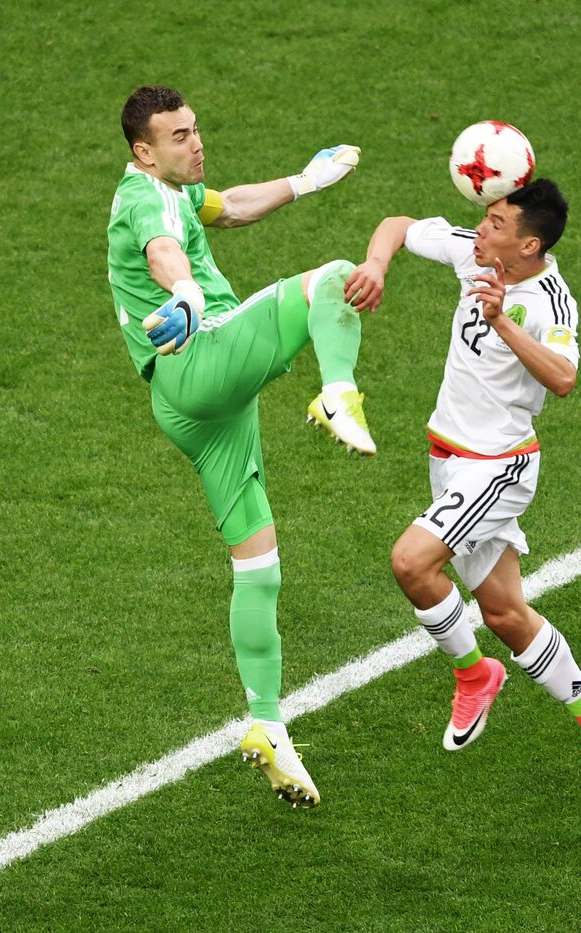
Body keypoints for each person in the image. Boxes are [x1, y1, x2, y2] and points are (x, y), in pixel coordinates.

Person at [105, 85, 376, 808]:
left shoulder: (171, 190)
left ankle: (266, 723)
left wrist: (305, 181)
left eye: (195, 129)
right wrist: (189, 292)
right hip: (203, 358)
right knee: (330, 282)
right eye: (179, 136)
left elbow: (231, 206)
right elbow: (164, 250)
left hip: (187, 406)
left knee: (258, 563)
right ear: (144, 151)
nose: (196, 143)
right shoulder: (146, 201)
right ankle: (338, 393)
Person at [343, 179, 581, 803]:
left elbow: (563, 379)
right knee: (504, 613)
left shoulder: (550, 302)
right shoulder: (474, 253)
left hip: (498, 467)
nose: (481, 227)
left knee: (411, 561)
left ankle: (474, 675)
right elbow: (397, 223)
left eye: (497, 222)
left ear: (528, 245)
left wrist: (502, 320)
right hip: (449, 459)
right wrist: (376, 263)